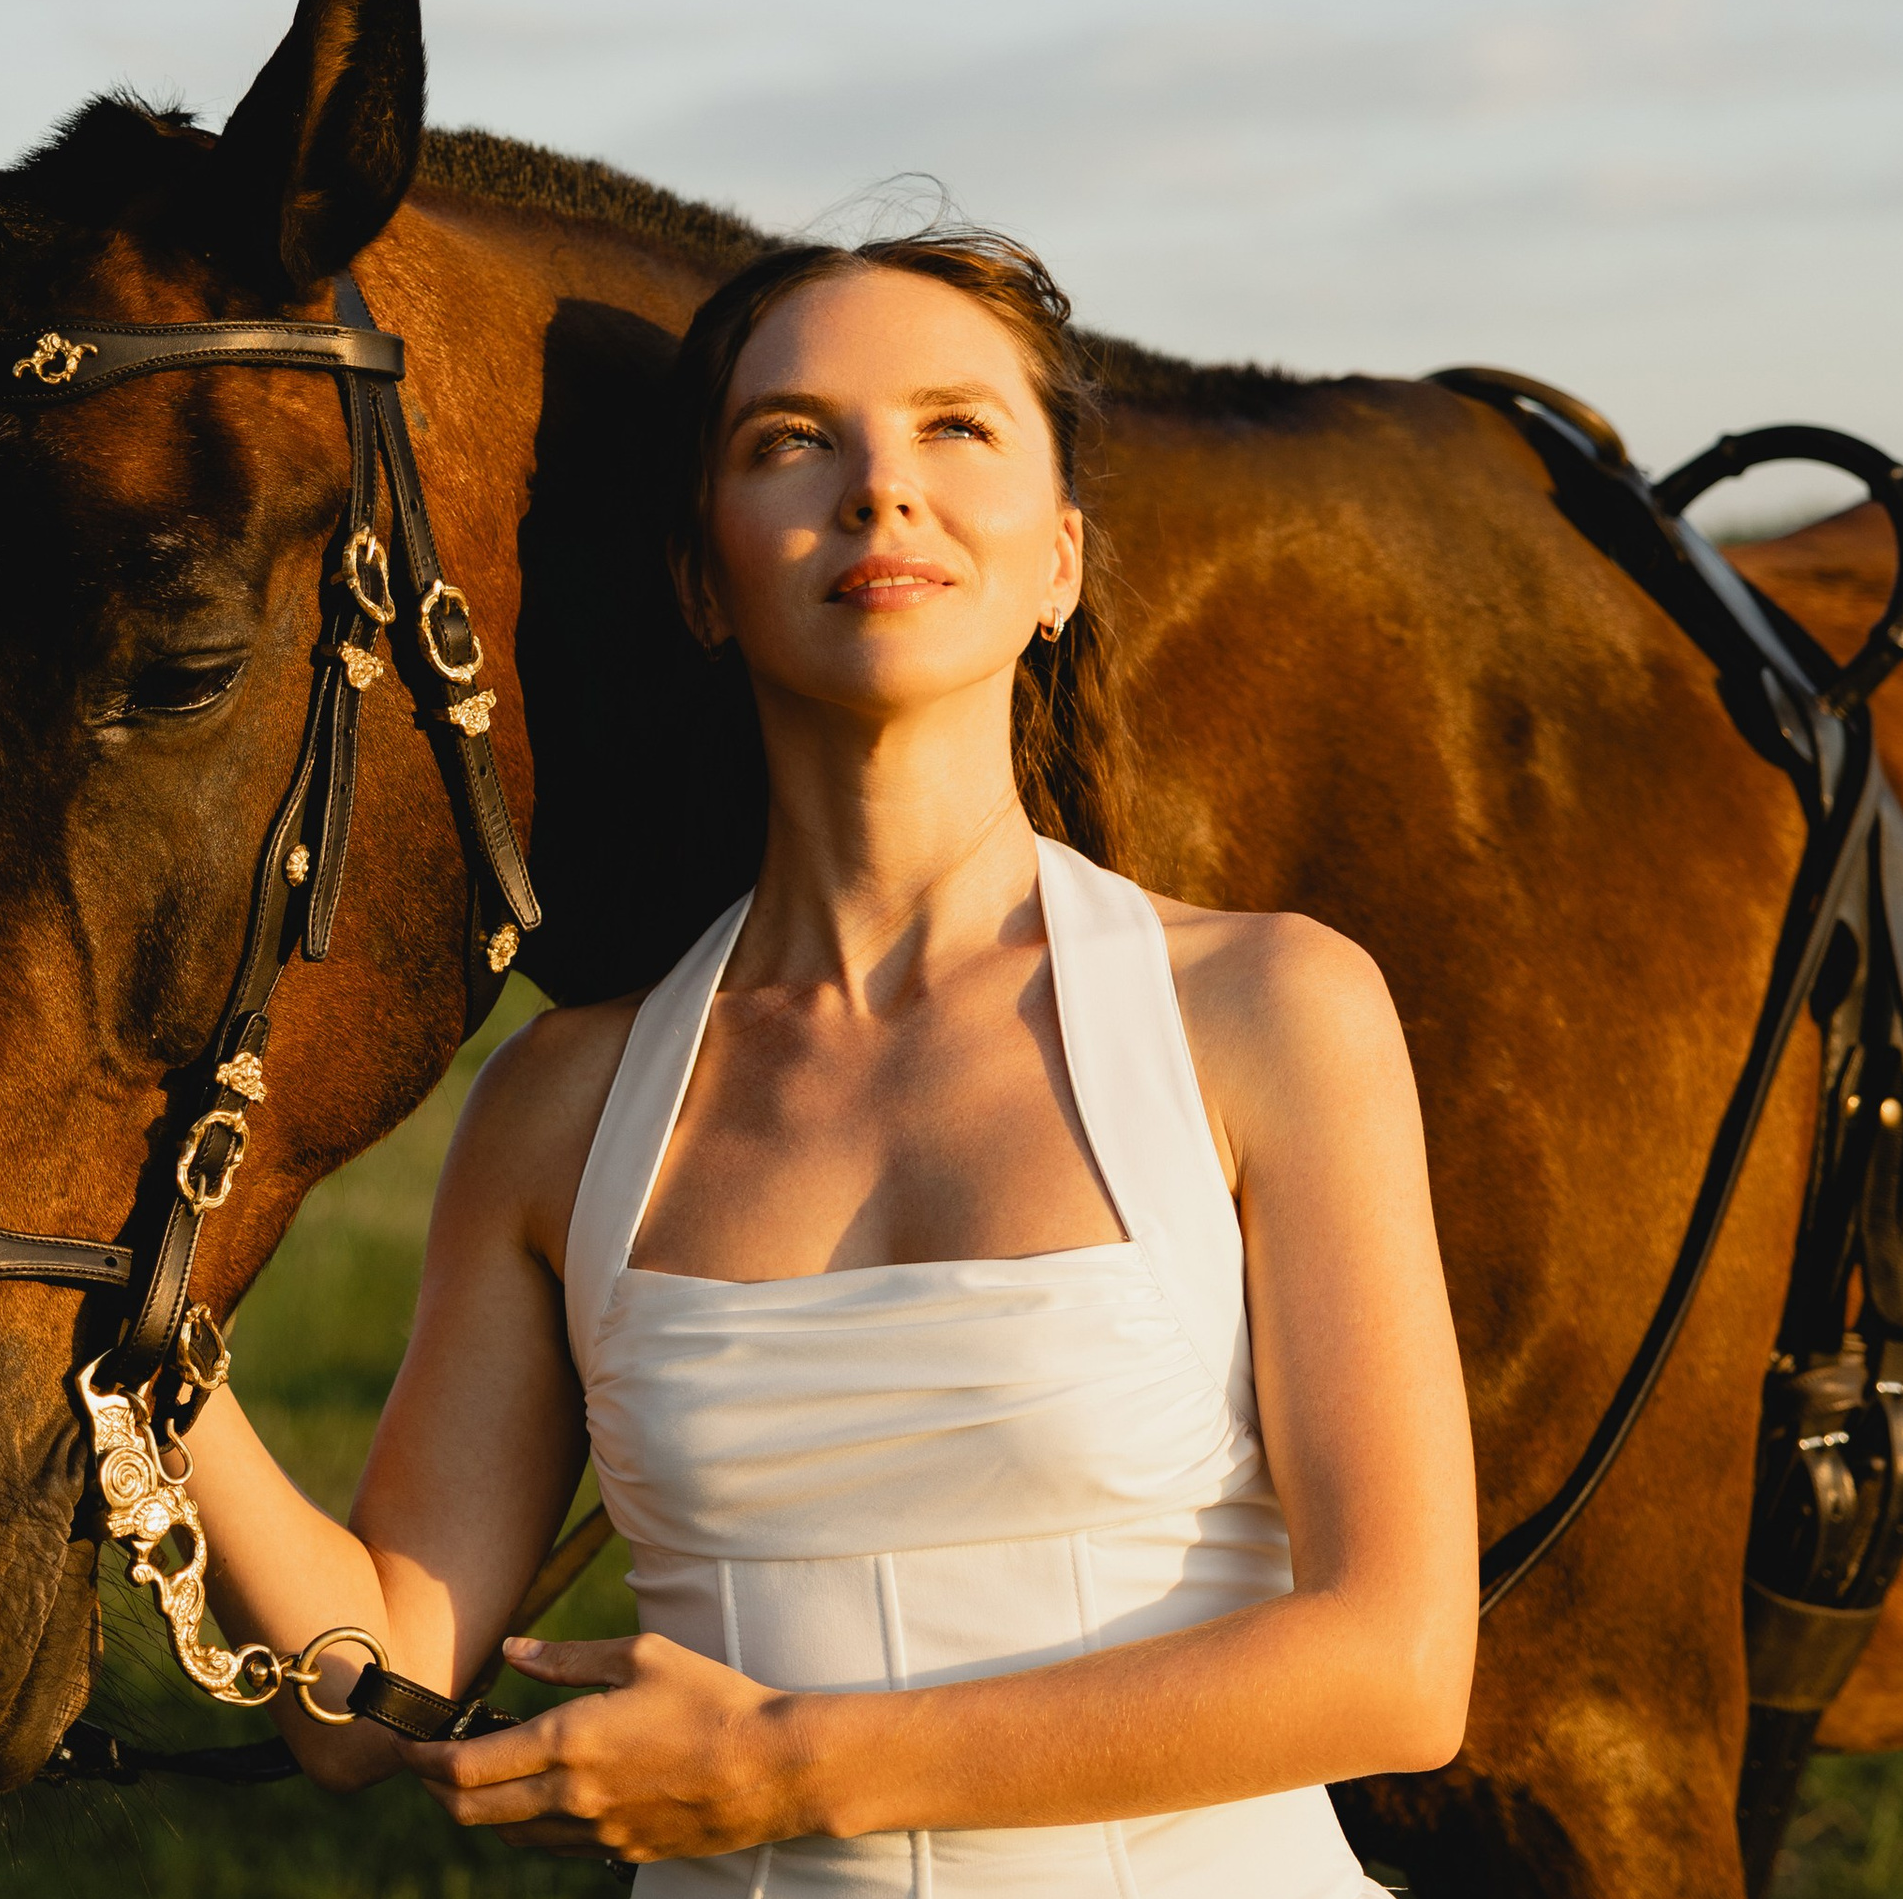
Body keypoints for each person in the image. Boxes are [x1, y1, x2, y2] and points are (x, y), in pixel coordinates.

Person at [185, 228, 1476, 1893]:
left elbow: (1397, 1666)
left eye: (958, 427)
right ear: (702, 581)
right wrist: (162, 1371)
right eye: (792, 441)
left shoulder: (1269, 1013)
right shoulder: (560, 1111)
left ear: (1062, 561)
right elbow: (372, 1701)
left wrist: (787, 1773)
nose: (882, 489)